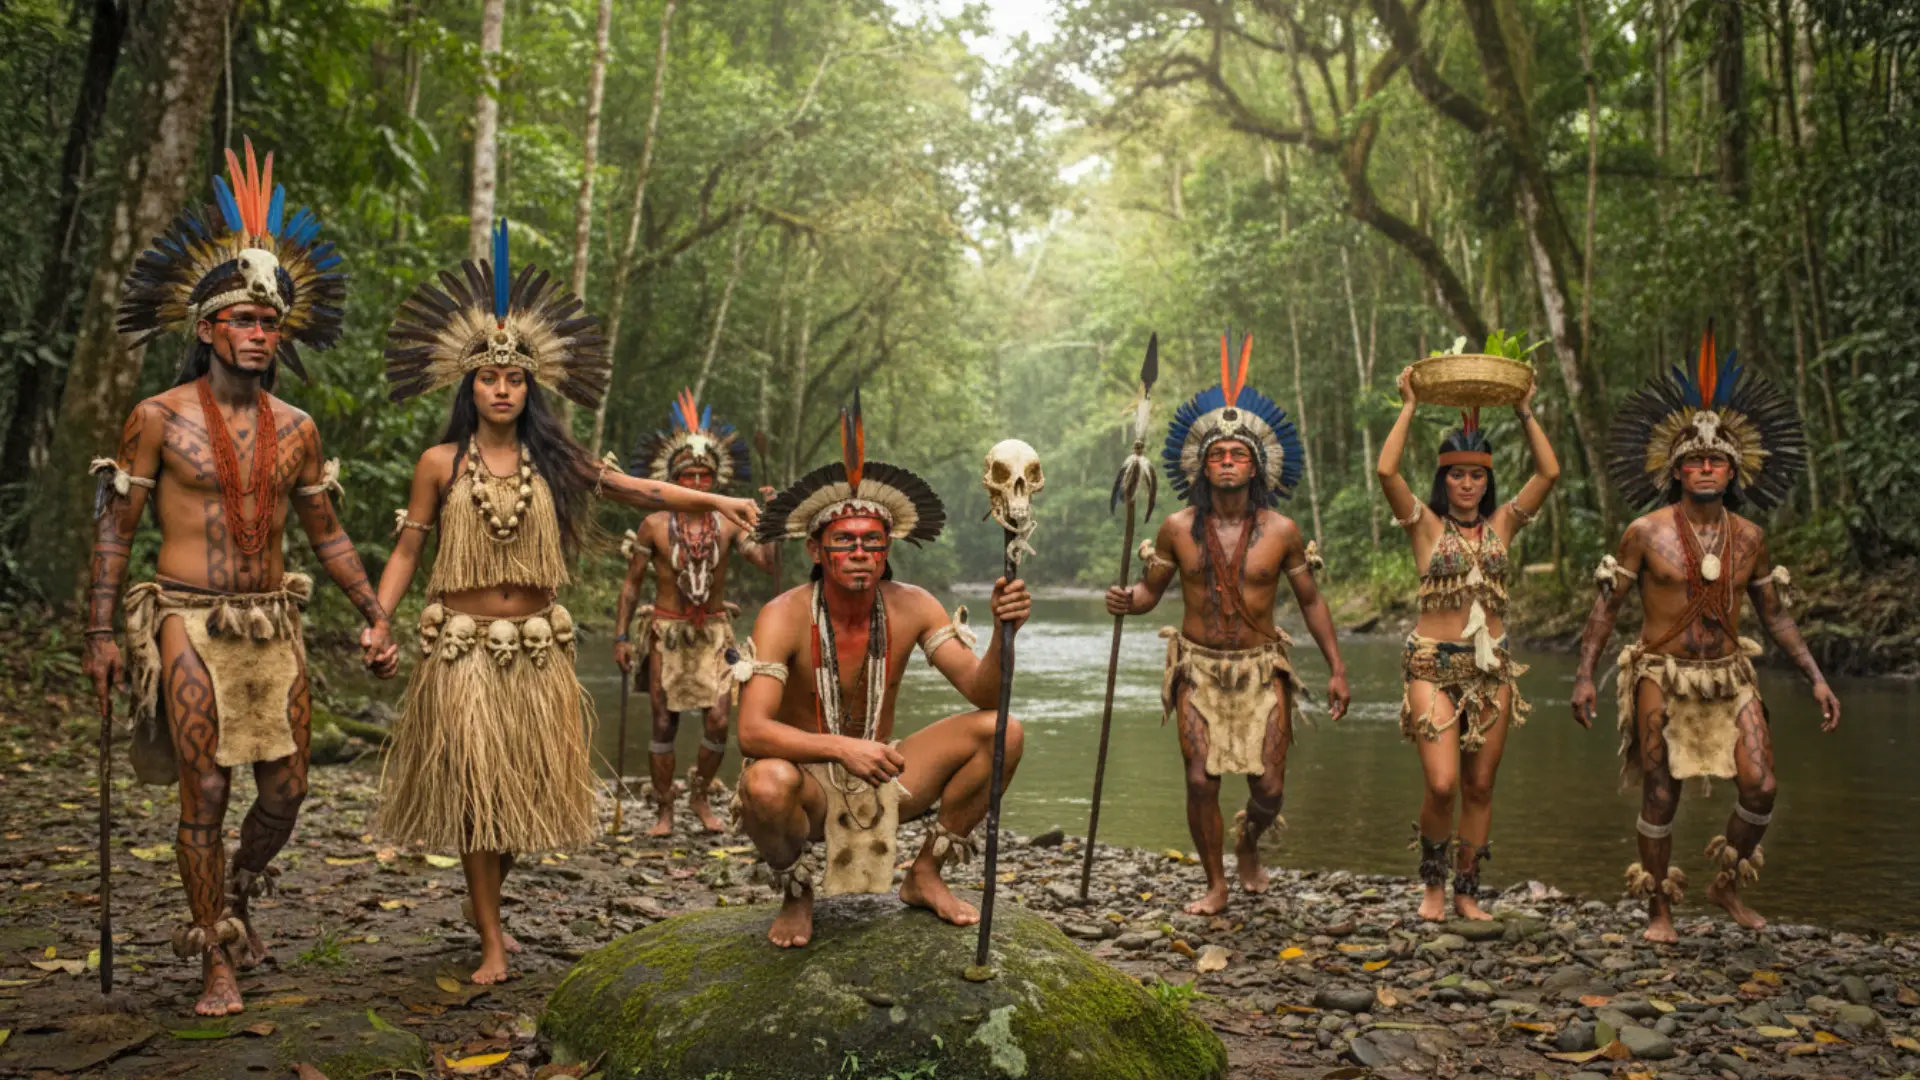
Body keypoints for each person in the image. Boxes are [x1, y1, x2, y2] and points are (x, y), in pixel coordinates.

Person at [364, 221, 760, 983]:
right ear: (469, 386)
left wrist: (721, 501)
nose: (502, 388)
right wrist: (380, 619)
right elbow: (409, 550)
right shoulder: (439, 463)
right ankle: (491, 938)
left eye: (514, 379)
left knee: (519, 795)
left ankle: (485, 903)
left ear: (530, 388)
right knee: (477, 793)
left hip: (536, 648)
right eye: (489, 377)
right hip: (464, 647)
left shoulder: (555, 459)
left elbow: (641, 490)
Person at [82, 140, 392, 1015]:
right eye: (245, 321)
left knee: (286, 790)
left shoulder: (298, 428)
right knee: (208, 786)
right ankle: (213, 949)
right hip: (184, 617)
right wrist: (100, 633)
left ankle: (241, 888)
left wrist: (373, 611)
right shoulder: (156, 419)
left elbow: (327, 535)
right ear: (207, 328)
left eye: (270, 324)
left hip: (271, 622)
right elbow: (117, 531)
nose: (259, 335)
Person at [732, 392, 1031, 948]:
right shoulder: (783, 615)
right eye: (844, 542)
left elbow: (983, 692)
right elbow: (751, 732)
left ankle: (926, 874)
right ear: (816, 551)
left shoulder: (913, 605)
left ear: (887, 548)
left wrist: (1003, 632)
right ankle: (796, 893)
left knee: (1004, 731)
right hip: (806, 785)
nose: (860, 552)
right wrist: (843, 748)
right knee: (765, 783)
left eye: (873, 541)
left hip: (884, 776)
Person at [1571, 326, 1839, 942]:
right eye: (1694, 460)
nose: (1706, 467)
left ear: (1733, 469)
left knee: (1762, 785)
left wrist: (1818, 678)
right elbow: (1607, 609)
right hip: (1661, 673)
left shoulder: (1751, 538)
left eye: (1716, 460)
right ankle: (1659, 909)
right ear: (1677, 470)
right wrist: (1584, 675)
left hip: (1729, 675)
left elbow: (1775, 615)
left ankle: (1726, 884)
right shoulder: (1644, 533)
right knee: (1661, 793)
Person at [1106, 332, 1351, 916]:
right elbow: (1151, 593)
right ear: (1202, 464)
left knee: (1269, 789)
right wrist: (1126, 600)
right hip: (1198, 667)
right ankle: (1215, 883)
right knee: (1200, 780)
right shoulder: (1176, 528)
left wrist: (1337, 668)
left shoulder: (1282, 532)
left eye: (1238, 454)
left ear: (1257, 464)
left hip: (1263, 670)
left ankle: (1248, 841)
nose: (1227, 461)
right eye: (1217, 454)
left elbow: (1311, 601)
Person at [1376, 370, 1558, 920]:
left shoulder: (1504, 524)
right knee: (1442, 783)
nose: (1467, 485)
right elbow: (1386, 471)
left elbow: (1549, 472)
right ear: (1443, 478)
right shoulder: (1424, 525)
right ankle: (1432, 885)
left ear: (1487, 481)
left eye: (1477, 476)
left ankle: (1468, 892)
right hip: (1431, 666)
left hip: (1491, 671)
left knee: (1479, 787)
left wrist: (1524, 409)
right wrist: (1409, 405)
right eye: (1457, 475)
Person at [614, 390, 778, 835]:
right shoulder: (653, 525)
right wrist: (622, 637)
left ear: (716, 479)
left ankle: (701, 796)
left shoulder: (728, 523)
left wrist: (772, 522)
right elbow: (631, 584)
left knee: (720, 720)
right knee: (663, 722)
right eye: (689, 475)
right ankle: (665, 810)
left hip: (716, 635)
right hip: (667, 633)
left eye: (706, 475)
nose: (698, 482)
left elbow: (767, 563)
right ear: (672, 478)